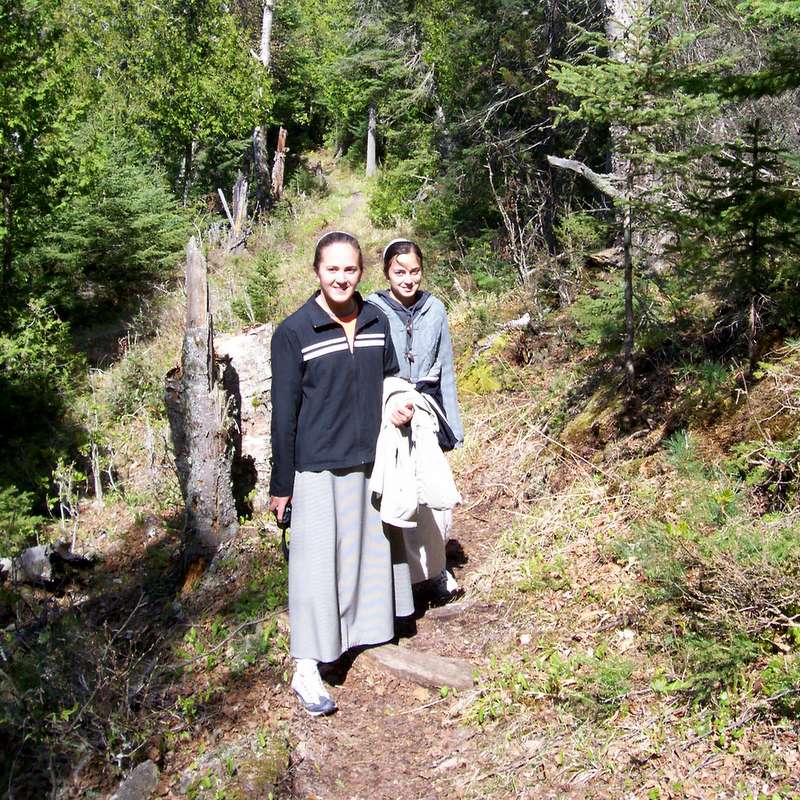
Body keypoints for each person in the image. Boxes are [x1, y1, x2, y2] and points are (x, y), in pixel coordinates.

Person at [269, 231, 415, 717]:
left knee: (368, 555)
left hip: (370, 460)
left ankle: (363, 636)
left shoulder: (377, 320)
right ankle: (307, 666)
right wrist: (280, 485)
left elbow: (393, 377)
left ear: (360, 273)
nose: (341, 277)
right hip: (317, 467)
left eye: (350, 269)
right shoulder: (294, 332)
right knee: (315, 568)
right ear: (316, 271)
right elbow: (284, 413)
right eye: (332, 269)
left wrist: (397, 403)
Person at [366, 239, 465, 603]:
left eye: (414, 271)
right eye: (400, 272)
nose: (408, 279)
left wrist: (451, 423)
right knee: (398, 492)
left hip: (426, 410)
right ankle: (403, 581)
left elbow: (446, 366)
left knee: (432, 491)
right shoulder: (373, 309)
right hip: (388, 408)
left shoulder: (435, 309)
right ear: (387, 272)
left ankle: (437, 572)